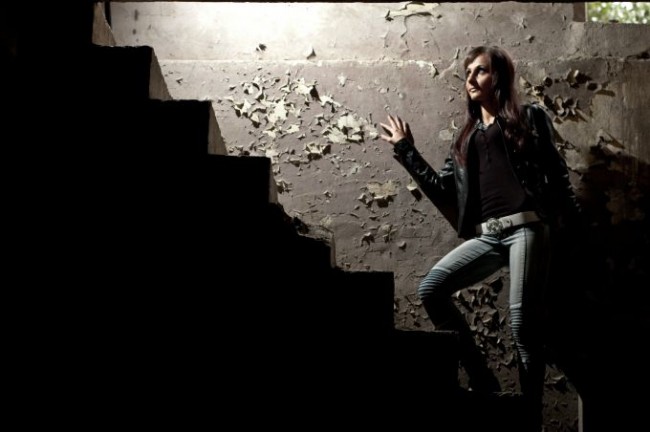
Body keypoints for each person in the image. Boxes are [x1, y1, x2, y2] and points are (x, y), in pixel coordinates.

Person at [379, 45, 582, 430]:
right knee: (431, 289)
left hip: (527, 228)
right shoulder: (465, 138)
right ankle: (482, 378)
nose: (470, 78)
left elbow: (558, 178)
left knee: (522, 324)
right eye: (468, 71)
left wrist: (574, 232)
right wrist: (406, 150)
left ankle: (529, 416)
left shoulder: (529, 118)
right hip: (489, 237)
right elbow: (443, 191)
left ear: (499, 77)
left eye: (481, 71)